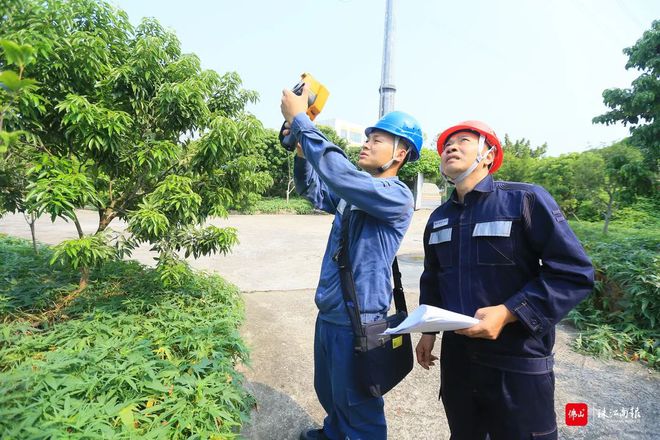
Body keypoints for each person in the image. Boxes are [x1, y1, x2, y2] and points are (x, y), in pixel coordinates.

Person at [415, 120, 594, 439]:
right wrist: (427, 331)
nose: (450, 147)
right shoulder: (438, 218)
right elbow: (433, 278)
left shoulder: (525, 200)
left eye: (464, 140)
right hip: (459, 363)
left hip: (516, 361)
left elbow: (573, 273)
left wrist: (509, 311)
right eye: (446, 144)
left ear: (488, 155)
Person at [280, 85, 423, 440]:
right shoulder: (355, 192)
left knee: (360, 405)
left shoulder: (396, 196)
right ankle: (333, 432)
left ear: (401, 152)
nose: (367, 142)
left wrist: (301, 119)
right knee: (331, 392)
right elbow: (314, 190)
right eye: (368, 137)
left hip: (359, 319)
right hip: (330, 312)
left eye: (378, 139)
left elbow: (340, 176)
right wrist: (301, 151)